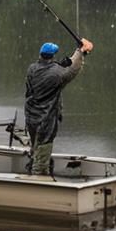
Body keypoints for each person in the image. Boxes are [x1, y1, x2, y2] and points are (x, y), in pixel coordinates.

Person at [24, 37, 94, 176]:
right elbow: (73, 70)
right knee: (42, 156)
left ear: (41, 54)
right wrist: (81, 52)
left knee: (36, 149)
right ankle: (37, 180)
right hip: (46, 121)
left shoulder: (32, 69)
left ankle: (32, 171)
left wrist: (68, 59)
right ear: (53, 56)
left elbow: (51, 70)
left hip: (31, 117)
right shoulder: (57, 74)